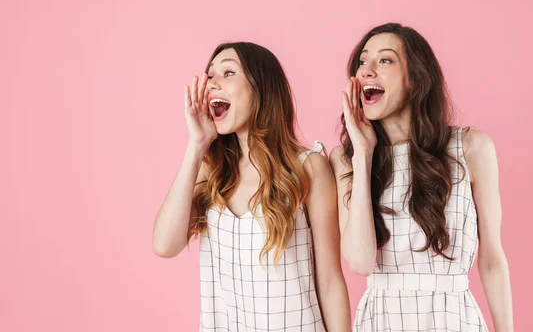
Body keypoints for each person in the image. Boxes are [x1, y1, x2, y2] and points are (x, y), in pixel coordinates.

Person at [153, 42, 351, 331]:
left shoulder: (308, 168)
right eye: (210, 76)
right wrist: (197, 145)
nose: (212, 84)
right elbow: (164, 245)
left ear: (260, 89)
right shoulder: (211, 170)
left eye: (228, 72)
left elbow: (331, 281)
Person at [329, 23, 513, 331]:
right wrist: (363, 155)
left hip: (453, 319)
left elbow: (493, 259)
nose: (367, 71)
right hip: (381, 320)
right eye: (362, 61)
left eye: (385, 60)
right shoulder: (345, 159)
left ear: (415, 78)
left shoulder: (471, 148)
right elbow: (360, 262)